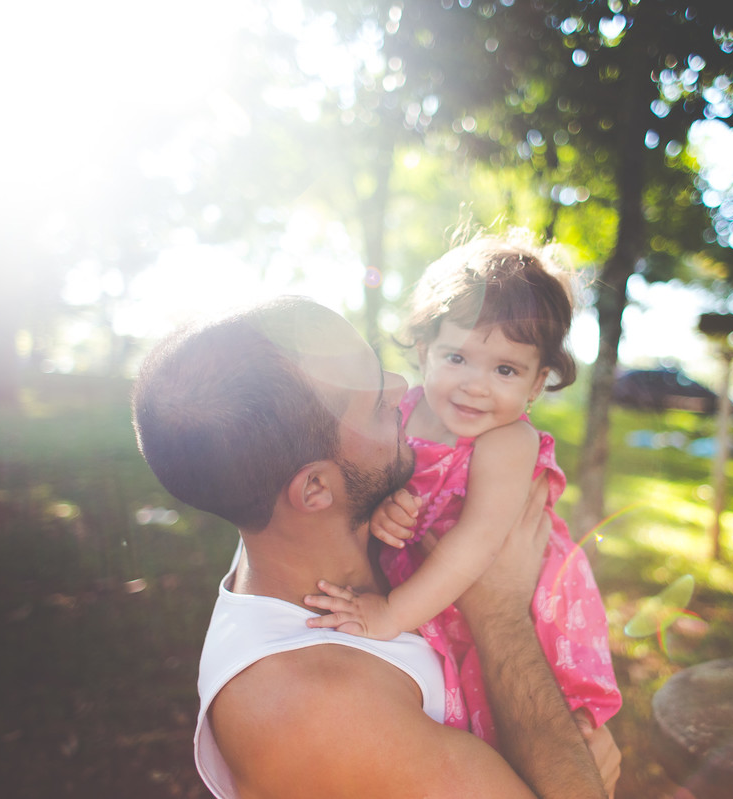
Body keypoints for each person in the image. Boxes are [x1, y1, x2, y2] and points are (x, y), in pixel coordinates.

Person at [131, 296, 619, 798]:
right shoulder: (317, 705)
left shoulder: (301, 535)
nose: (402, 386)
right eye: (369, 396)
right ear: (315, 490)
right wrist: (500, 614)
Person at [305, 236, 621, 747]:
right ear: (426, 349)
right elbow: (374, 488)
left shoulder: (507, 441)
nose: (476, 385)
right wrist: (387, 508)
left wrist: (390, 614)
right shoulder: (402, 412)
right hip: (429, 591)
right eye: (457, 358)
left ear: (537, 383)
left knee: (509, 718)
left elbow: (477, 543)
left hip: (504, 598)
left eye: (505, 370)